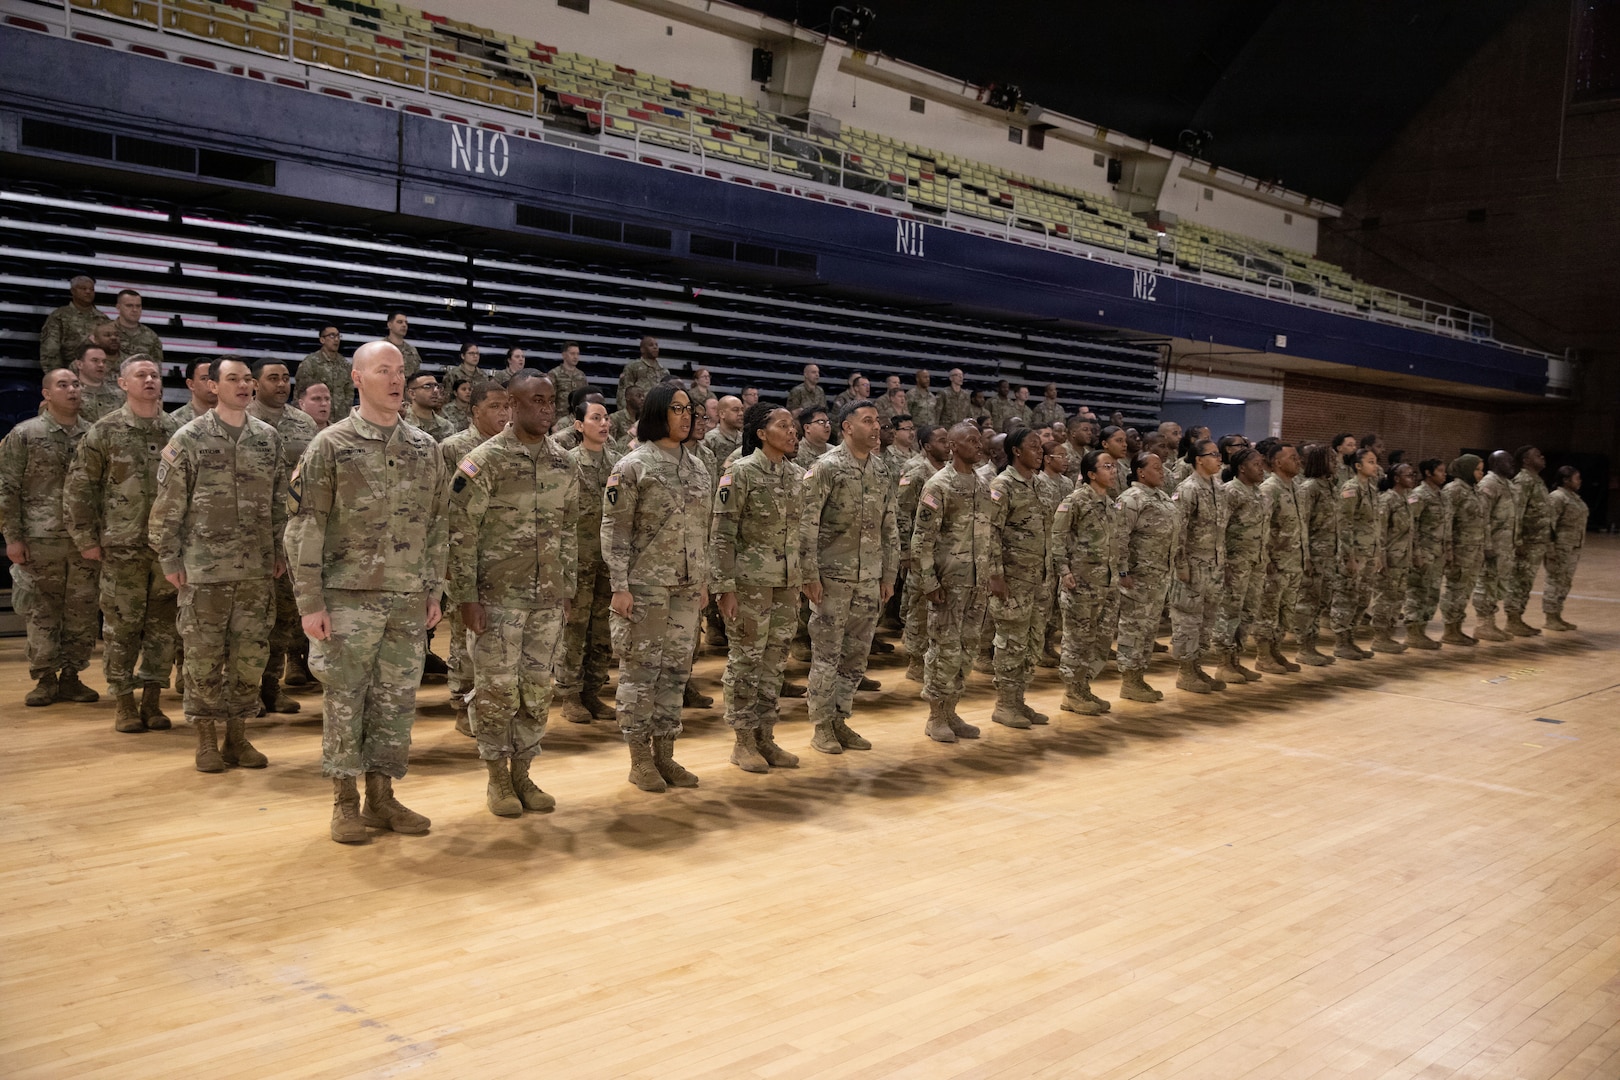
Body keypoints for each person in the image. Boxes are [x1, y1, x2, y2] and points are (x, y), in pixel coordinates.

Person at [285, 340, 448, 844]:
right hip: (347, 598)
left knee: (395, 702)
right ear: (357, 379)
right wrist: (310, 602)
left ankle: (382, 797)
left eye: (401, 371)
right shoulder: (330, 445)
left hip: (406, 598)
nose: (396, 380)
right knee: (344, 700)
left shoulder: (425, 448)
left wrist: (433, 589)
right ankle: (344, 802)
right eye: (384, 371)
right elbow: (303, 526)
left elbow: (439, 523)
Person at [149, 356, 287, 773]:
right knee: (203, 657)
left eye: (248, 379)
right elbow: (168, 504)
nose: (243, 386)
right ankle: (206, 740)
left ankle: (238, 738)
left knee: (249, 656)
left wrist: (280, 551)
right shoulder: (189, 437)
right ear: (212, 386)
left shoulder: (268, 438)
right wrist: (169, 556)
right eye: (233, 379)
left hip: (256, 569)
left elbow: (281, 502)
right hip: (203, 569)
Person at [447, 372, 576, 817]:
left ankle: (523, 770)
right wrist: (465, 597)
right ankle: (496, 778)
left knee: (538, 689)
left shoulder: (564, 462)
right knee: (496, 691)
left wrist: (567, 588)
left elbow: (570, 530)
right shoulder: (484, 461)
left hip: (547, 598)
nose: (546, 408)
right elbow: (460, 533)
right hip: (496, 598)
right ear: (512, 405)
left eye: (551, 400)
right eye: (536, 400)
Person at [602, 381, 712, 791]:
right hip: (644, 585)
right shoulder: (633, 465)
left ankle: (666, 754)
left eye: (690, 409)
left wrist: (702, 581)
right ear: (657, 412)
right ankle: (639, 759)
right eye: (678, 409)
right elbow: (615, 529)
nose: (686, 416)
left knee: (676, 672)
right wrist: (619, 586)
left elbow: (704, 527)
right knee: (639, 673)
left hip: (685, 587)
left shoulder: (698, 466)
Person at [63, 355, 180, 733]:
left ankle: (152, 699)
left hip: (165, 549)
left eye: (154, 375)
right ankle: (124, 702)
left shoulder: (176, 431)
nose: (149, 380)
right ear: (122, 383)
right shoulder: (104, 431)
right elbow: (79, 486)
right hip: (122, 545)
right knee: (121, 626)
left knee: (163, 628)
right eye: (140, 375)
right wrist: (85, 538)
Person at [711, 402, 805, 773]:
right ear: (762, 434)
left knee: (775, 661)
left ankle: (766, 737)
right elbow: (721, 535)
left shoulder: (797, 475)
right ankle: (743, 741)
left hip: (785, 583)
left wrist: (805, 577)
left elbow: (803, 533)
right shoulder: (740, 472)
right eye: (784, 426)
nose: (793, 431)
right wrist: (723, 588)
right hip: (749, 583)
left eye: (794, 426)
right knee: (746, 661)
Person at [801, 400, 899, 752]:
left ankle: (841, 719)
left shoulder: (882, 470)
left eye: (878, 422)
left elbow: (890, 527)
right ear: (847, 427)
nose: (876, 428)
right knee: (827, 655)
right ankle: (821, 726)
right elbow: (807, 525)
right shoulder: (826, 467)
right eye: (868, 421)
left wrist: (889, 573)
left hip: (869, 578)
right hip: (832, 579)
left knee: (856, 656)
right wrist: (809, 574)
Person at [1, 368, 100, 707]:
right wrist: (12, 538)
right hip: (40, 539)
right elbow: (7, 488)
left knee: (82, 612)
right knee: (42, 611)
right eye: (63, 385)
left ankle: (72, 675)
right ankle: (44, 677)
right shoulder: (25, 434)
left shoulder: (93, 435)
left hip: (84, 541)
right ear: (46, 394)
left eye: (76, 384)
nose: (72, 390)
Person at [436, 381, 513, 733]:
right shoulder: (453, 448)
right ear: (474, 410)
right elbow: (443, 507)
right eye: (495, 406)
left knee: (500, 638)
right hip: (465, 555)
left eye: (506, 406)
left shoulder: (512, 447)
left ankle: (497, 704)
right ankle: (462, 703)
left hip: (507, 559)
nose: (504, 413)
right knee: (463, 636)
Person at [248, 357, 321, 713]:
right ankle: (245, 694)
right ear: (255, 383)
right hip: (248, 537)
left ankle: (270, 686)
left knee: (283, 620)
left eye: (285, 378)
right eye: (272, 378)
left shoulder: (304, 424)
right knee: (249, 623)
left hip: (290, 536)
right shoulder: (242, 420)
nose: (281, 384)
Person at [910, 421, 990, 742]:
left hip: (976, 584)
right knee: (943, 650)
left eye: (979, 440)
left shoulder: (983, 485)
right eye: (970, 440)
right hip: (948, 584)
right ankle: (936, 716)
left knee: (967, 650)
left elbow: (988, 535)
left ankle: (953, 710)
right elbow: (921, 540)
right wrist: (929, 582)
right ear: (953, 446)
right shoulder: (938, 485)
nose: (978, 445)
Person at [557, 394, 619, 725]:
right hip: (577, 561)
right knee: (574, 629)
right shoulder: (566, 462)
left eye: (606, 417)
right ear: (579, 426)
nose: (604, 423)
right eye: (596, 418)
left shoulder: (619, 464)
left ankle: (592, 692)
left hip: (609, 562)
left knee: (603, 631)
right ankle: (569, 693)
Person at [986, 427, 1052, 728]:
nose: (1040, 452)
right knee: (1011, 642)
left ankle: (1019, 700)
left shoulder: (1041, 485)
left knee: (1032, 642)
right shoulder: (1002, 485)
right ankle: (1004, 704)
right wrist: (996, 576)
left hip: (1038, 578)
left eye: (1041, 447)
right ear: (1016, 451)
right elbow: (991, 533)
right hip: (1012, 579)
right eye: (1034, 447)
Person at [1051, 449, 1121, 713]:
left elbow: (1115, 542)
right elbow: (1057, 536)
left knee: (1100, 640)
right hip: (1081, 582)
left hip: (1107, 582)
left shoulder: (1110, 502)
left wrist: (1120, 573)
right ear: (1091, 474)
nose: (1112, 471)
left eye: (1114, 467)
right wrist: (1064, 571)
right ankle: (1072, 692)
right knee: (1078, 639)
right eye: (1106, 467)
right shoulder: (1076, 500)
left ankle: (1084, 686)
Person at [1113, 451, 1176, 702]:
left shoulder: (1160, 497)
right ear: (1140, 471)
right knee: (1134, 627)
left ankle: (1139, 677)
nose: (1162, 472)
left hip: (1159, 575)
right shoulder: (1131, 498)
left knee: (1149, 629)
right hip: (1138, 576)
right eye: (1156, 467)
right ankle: (1129, 680)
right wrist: (1122, 571)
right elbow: (1119, 537)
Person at [1170, 437, 1229, 692]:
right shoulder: (1188, 489)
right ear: (1198, 459)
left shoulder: (1217, 486)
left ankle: (1197, 666)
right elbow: (1178, 531)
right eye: (1213, 454)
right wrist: (1181, 565)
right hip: (1192, 565)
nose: (1219, 458)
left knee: (1207, 619)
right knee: (1188, 620)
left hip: (1213, 565)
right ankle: (1185, 671)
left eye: (1218, 454)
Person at [1212, 447, 1268, 684]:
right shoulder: (1230, 492)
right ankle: (1223, 663)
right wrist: (1222, 563)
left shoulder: (1260, 493)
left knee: (1248, 612)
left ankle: (1236, 659)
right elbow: (1219, 529)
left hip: (1255, 561)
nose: (1261, 468)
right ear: (1242, 468)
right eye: (1256, 464)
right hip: (1234, 563)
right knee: (1229, 612)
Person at [897, 425, 949, 680]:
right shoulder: (916, 473)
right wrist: (906, 552)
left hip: (946, 554)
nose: (947, 445)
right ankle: (916, 660)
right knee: (918, 605)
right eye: (941, 441)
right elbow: (902, 513)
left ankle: (934, 656)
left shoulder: (951, 474)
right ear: (927, 446)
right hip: (922, 551)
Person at [1255, 442, 1306, 674]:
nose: (1298, 461)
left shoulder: (1296, 487)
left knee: (1286, 611)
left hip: (1294, 560)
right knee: (1268, 611)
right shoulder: (1269, 489)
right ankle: (1263, 656)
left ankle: (1276, 651)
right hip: (1275, 563)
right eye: (1292, 458)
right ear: (1277, 462)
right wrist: (1265, 559)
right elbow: (1263, 527)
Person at [1293, 443, 1342, 667]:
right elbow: (1302, 523)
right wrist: (1306, 557)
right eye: (1332, 459)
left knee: (1322, 601)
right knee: (1307, 603)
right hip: (1314, 555)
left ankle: (1312, 644)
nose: (1336, 463)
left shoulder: (1330, 487)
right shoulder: (1309, 488)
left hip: (1329, 555)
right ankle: (1304, 647)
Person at [1330, 447, 1381, 660]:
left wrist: (1377, 553)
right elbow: (1344, 523)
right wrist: (1348, 555)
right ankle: (1341, 642)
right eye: (1370, 461)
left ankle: (1351, 638)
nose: (1375, 465)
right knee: (1347, 596)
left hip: (1369, 551)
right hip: (1355, 552)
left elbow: (1374, 523)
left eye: (1376, 461)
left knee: (1362, 598)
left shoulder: (1371, 488)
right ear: (1358, 466)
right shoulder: (1351, 488)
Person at [1369, 462, 1417, 653]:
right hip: (1389, 558)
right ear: (1396, 478)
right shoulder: (1387, 499)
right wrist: (1380, 558)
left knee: (1397, 597)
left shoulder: (1406, 498)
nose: (1412, 478)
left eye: (1413, 475)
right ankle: (1379, 637)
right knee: (1384, 597)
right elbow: (1379, 532)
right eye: (1408, 475)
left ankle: (1388, 635)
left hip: (1402, 558)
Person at [1402, 458, 1451, 649]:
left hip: (1438, 553)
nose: (1444, 474)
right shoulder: (1418, 495)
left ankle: (1421, 630)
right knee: (1417, 591)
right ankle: (1413, 632)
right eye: (1440, 471)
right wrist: (1416, 553)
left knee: (1432, 593)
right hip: (1423, 552)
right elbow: (1411, 525)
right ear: (1428, 473)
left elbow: (1446, 525)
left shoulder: (1442, 495)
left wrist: (1448, 550)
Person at [1439, 454, 1487, 646]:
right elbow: (1447, 522)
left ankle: (1457, 626)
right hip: (1459, 550)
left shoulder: (1475, 491)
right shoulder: (1454, 490)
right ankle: (1450, 629)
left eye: (1482, 469)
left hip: (1474, 550)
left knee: (1465, 589)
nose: (1481, 473)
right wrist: (1448, 551)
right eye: (1477, 469)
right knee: (1455, 588)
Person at [1471, 450, 1519, 642]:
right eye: (1507, 461)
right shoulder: (1489, 484)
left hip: (1505, 546)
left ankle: (1491, 624)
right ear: (1496, 464)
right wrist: (1486, 546)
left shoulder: (1508, 484)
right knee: (1487, 583)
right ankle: (1483, 625)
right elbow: (1482, 517)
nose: (1511, 464)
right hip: (1493, 546)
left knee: (1498, 585)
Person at [1503, 445, 1549, 637]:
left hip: (1536, 542)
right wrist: (1517, 541)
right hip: (1526, 543)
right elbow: (1517, 512)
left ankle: (1517, 618)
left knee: (1526, 582)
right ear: (1526, 460)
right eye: (1537, 455)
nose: (1542, 457)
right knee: (1519, 581)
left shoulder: (1536, 480)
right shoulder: (1523, 480)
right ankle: (1513, 620)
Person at [1542, 467, 1587, 631]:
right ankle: (1550, 617)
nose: (1579, 481)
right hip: (1559, 547)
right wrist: (1550, 548)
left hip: (1572, 547)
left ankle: (1557, 614)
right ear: (1566, 480)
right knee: (1554, 581)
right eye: (1577, 478)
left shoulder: (1574, 497)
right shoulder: (1557, 497)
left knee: (1565, 582)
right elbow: (1548, 524)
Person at [39, 275, 105, 372]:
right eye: (83, 288)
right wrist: (58, 376)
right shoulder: (59, 316)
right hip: (69, 372)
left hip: (97, 373)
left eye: (91, 289)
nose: (88, 292)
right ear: (73, 291)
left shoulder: (103, 319)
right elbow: (50, 350)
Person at [299, 326, 354, 420]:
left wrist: (345, 409)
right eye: (332, 336)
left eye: (338, 336)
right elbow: (301, 391)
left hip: (340, 418)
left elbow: (349, 391)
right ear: (322, 340)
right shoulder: (311, 363)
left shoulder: (345, 364)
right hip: (316, 419)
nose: (336, 339)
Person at [71, 340, 124, 423]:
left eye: (104, 361)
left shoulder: (120, 394)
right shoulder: (70, 394)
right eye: (95, 360)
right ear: (79, 364)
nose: (101, 365)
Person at [111, 289, 164, 366]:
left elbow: (156, 368)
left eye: (138, 306)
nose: (135, 310)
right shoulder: (104, 332)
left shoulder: (151, 337)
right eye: (129, 305)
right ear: (118, 307)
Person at [615, 335, 668, 411]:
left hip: (659, 409)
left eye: (656, 345)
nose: (655, 347)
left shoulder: (664, 370)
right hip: (641, 409)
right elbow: (625, 391)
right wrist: (625, 412)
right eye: (651, 345)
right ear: (642, 349)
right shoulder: (633, 367)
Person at [402, 371, 453, 440]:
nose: (435, 390)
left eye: (436, 386)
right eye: (427, 386)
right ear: (412, 394)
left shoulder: (446, 426)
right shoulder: (402, 423)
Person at [170, 358, 217, 425]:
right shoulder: (174, 422)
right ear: (191, 384)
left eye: (214, 378)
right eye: (204, 378)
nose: (211, 383)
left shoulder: (232, 418)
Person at [704, 395, 744, 463]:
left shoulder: (744, 438)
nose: (741, 413)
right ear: (722, 414)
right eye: (735, 410)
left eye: (742, 410)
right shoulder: (710, 439)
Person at [384, 311, 422, 378]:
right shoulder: (379, 349)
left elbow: (416, 376)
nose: (404, 325)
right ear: (389, 325)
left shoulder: (412, 351)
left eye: (406, 323)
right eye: (400, 322)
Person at [608, 384, 644, 453]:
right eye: (638, 396)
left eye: (643, 396)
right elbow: (609, 443)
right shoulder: (615, 418)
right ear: (628, 397)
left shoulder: (643, 419)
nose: (642, 399)